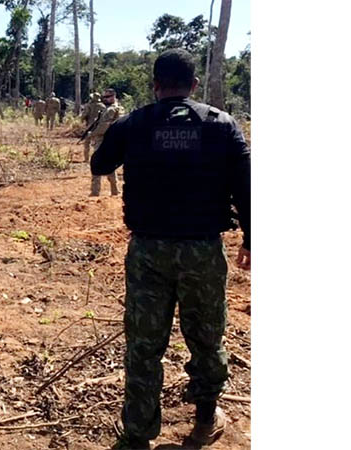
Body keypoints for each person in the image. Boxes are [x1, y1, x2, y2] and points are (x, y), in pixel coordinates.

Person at [90, 48, 251, 449]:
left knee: (144, 343)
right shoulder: (222, 125)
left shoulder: (134, 124)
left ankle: (138, 435)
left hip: (149, 252)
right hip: (202, 251)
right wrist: (253, 237)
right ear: (194, 85)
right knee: (207, 337)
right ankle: (204, 418)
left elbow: (99, 165)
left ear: (155, 84)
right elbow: (247, 187)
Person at [85, 88, 124, 194]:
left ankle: (95, 191)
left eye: (107, 97)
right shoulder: (118, 108)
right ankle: (114, 190)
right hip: (112, 140)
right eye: (104, 97)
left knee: (97, 163)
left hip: (103, 139)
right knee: (110, 165)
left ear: (113, 97)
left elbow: (104, 126)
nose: (104, 99)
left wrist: (91, 134)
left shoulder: (111, 109)